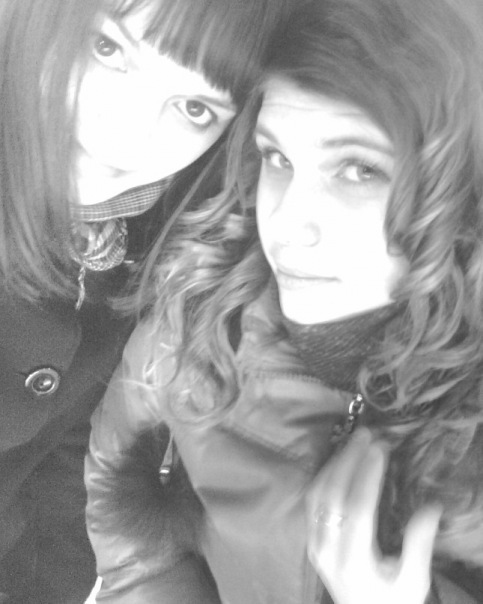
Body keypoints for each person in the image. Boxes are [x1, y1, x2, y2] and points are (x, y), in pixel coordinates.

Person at [85, 0, 483, 602]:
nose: (287, 224)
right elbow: (117, 491)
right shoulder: (198, 314)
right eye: (278, 158)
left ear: (457, 189)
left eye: (359, 169)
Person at [0, 0, 298, 602]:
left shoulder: (148, 234)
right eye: (106, 48)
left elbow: (60, 466)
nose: (123, 137)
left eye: (195, 108)